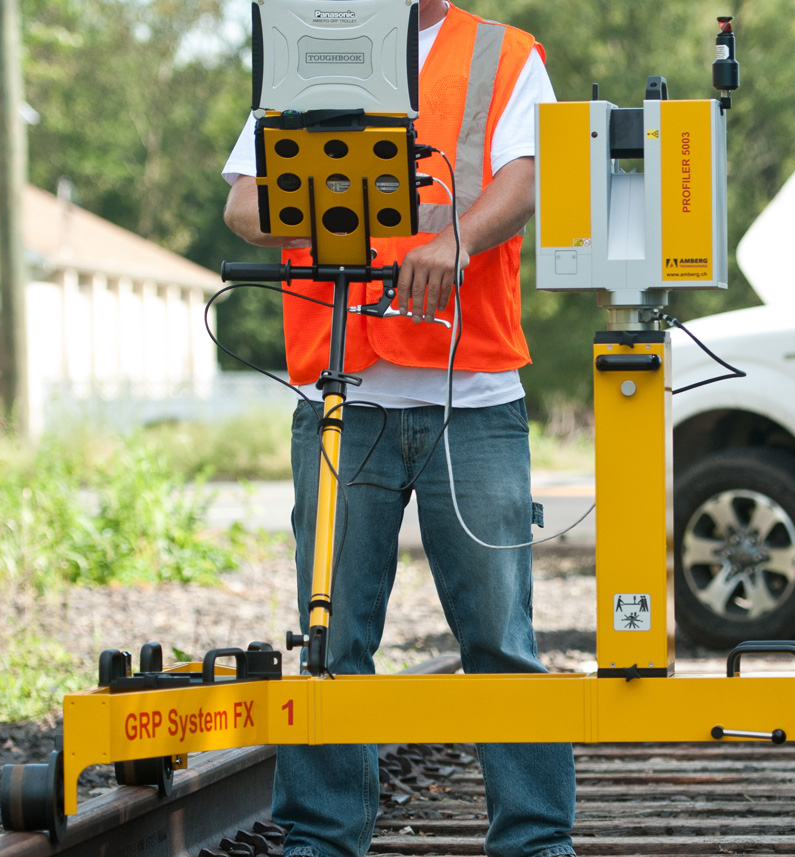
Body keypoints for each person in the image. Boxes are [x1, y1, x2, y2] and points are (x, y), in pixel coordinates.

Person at [220, 2, 577, 856]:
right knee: (333, 637)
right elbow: (242, 204)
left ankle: (534, 842)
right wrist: (335, 213)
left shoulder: (504, 54)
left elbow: (529, 177)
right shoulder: (310, 50)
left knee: (500, 638)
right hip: (344, 392)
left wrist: (452, 236)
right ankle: (321, 839)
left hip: (473, 393)